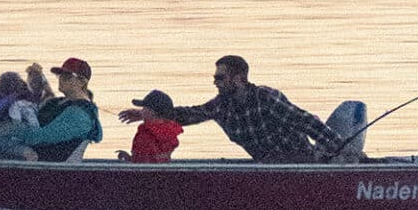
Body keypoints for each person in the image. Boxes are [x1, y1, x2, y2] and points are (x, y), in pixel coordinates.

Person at [123, 54, 344, 162]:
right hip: (267, 169)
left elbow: (305, 121)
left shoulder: (265, 97)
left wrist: (340, 147)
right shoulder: (221, 106)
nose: (215, 82)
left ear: (239, 78)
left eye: (220, 77)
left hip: (301, 164)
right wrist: (151, 113)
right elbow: (190, 114)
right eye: (215, 77)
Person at [2, 57, 102, 161]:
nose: (61, 79)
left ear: (82, 82)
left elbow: (40, 138)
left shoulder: (80, 115)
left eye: (67, 76)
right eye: (60, 75)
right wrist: (38, 77)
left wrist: (11, 130)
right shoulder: (61, 102)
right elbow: (46, 99)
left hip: (47, 167)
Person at [121, 88, 183, 162]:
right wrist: (130, 158)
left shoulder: (146, 133)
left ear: (152, 112)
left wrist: (132, 160)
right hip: (159, 171)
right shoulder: (167, 130)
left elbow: (143, 161)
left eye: (144, 108)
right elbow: (157, 159)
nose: (142, 111)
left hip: (145, 172)